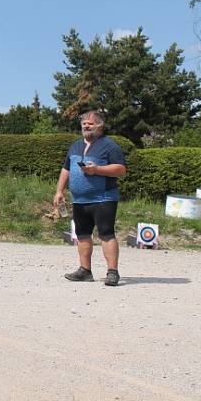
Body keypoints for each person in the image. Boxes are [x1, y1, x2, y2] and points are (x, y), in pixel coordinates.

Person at [53, 110, 127, 286]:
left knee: (106, 234)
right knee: (82, 234)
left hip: (103, 198)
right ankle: (85, 270)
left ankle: (112, 272)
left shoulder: (110, 145)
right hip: (79, 200)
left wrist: (97, 170)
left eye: (91, 123)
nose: (86, 126)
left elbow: (121, 170)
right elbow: (66, 169)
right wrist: (59, 191)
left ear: (100, 126)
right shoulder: (75, 146)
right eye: (84, 123)